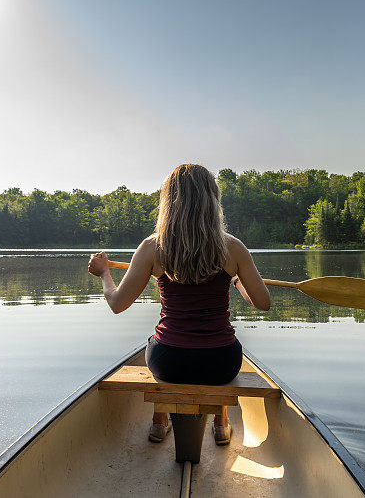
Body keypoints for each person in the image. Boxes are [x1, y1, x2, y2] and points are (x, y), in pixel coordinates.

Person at [87, 164, 270, 446]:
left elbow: (116, 303)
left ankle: (160, 422)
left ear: (168, 203)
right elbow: (263, 303)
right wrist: (236, 279)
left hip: (169, 362)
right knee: (217, 344)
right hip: (221, 363)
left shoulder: (151, 247)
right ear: (212, 201)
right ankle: (221, 424)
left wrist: (104, 274)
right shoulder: (233, 247)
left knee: (156, 339)